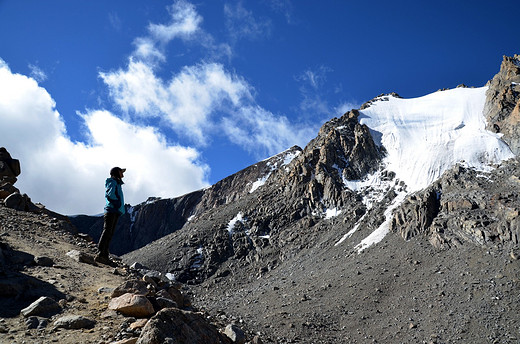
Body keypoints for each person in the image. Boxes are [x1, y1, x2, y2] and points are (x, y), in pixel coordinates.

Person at [95, 167, 126, 265]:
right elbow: (110, 194)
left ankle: (104, 254)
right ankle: (101, 253)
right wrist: (116, 203)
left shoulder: (116, 183)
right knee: (108, 231)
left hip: (115, 211)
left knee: (109, 232)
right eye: (121, 172)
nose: (123, 175)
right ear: (117, 173)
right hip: (112, 210)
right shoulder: (112, 182)